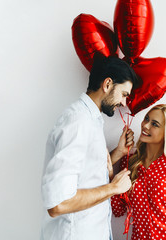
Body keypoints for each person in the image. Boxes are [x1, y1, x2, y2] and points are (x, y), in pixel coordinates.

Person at [41, 56, 139, 240]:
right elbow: (58, 204)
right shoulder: (78, 122)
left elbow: (87, 172)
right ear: (108, 84)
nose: (124, 104)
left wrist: (117, 153)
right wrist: (114, 188)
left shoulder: (91, 120)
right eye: (124, 94)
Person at [111, 104, 166, 240]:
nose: (145, 126)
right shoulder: (130, 160)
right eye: (146, 119)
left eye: (155, 124)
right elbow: (118, 210)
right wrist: (110, 172)